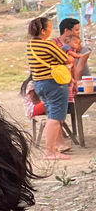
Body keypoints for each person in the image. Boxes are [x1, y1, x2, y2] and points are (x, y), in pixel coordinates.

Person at [26, 15, 72, 160]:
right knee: (55, 118)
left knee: (52, 115)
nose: (51, 30)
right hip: (54, 84)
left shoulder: (30, 46)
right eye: (50, 27)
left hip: (39, 84)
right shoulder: (48, 45)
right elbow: (67, 59)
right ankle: (50, 151)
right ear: (44, 31)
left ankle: (51, 149)